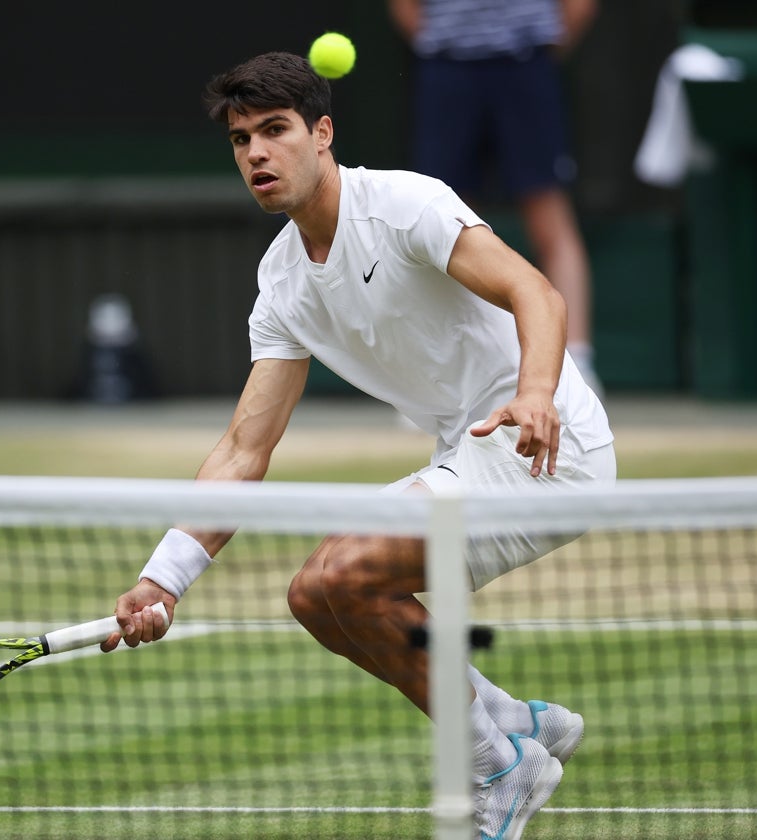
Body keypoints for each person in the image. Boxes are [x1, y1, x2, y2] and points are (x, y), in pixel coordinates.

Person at [99, 52, 615, 840]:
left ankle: (498, 766)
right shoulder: (281, 285)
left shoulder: (405, 205)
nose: (257, 155)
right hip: (466, 451)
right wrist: (162, 578)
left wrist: (537, 393)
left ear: (323, 134)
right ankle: (517, 724)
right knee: (316, 596)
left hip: (546, 446)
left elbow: (534, 291)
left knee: (345, 572)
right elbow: (244, 449)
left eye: (275, 131)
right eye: (241, 141)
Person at [388, 0, 603, 396]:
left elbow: (580, 7)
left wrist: (535, 50)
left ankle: (576, 367)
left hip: (525, 67)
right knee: (439, 226)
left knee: (550, 219)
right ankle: (440, 375)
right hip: (447, 70)